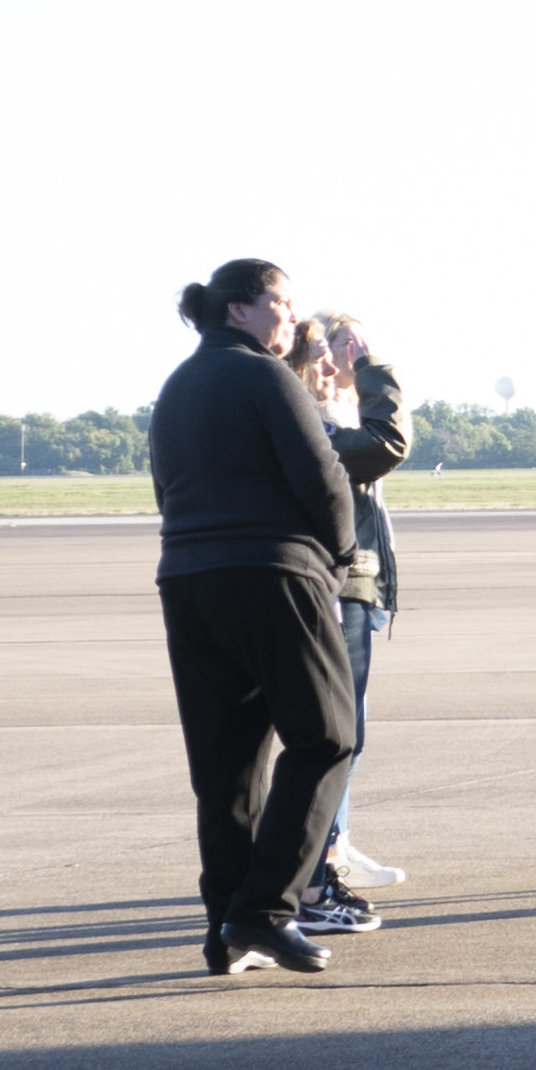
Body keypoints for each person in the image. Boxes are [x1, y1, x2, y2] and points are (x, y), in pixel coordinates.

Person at [150, 257, 360, 979]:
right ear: (239, 308)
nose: (292, 318)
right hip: (273, 574)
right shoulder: (265, 376)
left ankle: (225, 929)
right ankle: (267, 911)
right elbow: (323, 477)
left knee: (227, 768)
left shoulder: (176, 387)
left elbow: (165, 491)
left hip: (188, 579)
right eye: (282, 302)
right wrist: (338, 557)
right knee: (327, 737)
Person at [283, 308, 414, 923]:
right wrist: (373, 368)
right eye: (339, 348)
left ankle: (328, 846)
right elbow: (388, 445)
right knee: (337, 733)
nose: (345, 362)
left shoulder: (327, 418)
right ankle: (314, 867)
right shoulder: (309, 422)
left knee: (348, 734)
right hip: (337, 589)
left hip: (356, 586)